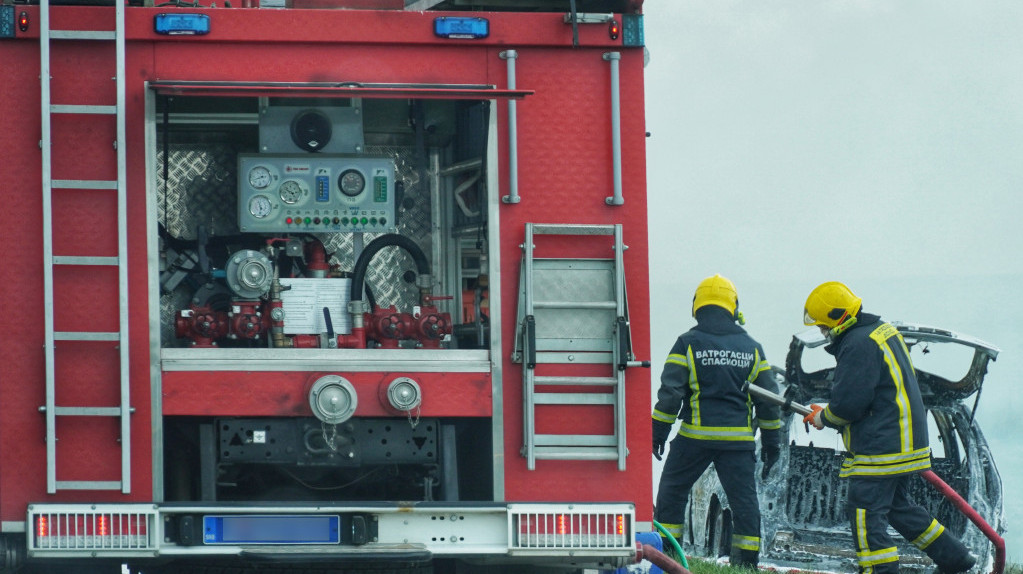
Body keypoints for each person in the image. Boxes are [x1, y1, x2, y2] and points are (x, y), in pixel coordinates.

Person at [801, 281, 976, 574]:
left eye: (823, 326)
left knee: (864, 515)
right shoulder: (881, 330)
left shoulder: (857, 343)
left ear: (838, 318)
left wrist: (823, 418)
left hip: (881, 448)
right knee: (899, 509)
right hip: (905, 444)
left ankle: (880, 571)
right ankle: (955, 558)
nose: (822, 332)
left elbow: (849, 404)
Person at [652, 274, 782, 569]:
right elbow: (768, 402)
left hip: (694, 439)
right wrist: (772, 444)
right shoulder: (752, 348)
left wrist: (658, 432)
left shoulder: (687, 343)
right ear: (733, 307)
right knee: (744, 502)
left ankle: (668, 559)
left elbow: (671, 395)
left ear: (697, 306)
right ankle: (746, 564)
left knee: (672, 493)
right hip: (737, 443)